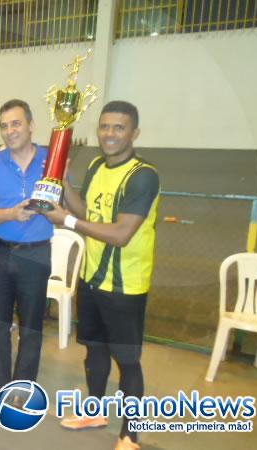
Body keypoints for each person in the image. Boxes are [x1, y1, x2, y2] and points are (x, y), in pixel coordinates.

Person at [44, 101, 159, 450]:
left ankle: (130, 435)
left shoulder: (143, 175)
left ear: (134, 133)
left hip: (126, 285)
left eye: (119, 128)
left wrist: (66, 221)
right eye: (105, 127)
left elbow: (121, 233)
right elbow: (85, 211)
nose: (110, 134)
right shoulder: (96, 166)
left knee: (127, 360)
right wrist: (61, 180)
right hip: (92, 277)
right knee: (93, 349)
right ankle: (95, 410)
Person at [0, 99, 53, 415]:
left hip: (36, 255)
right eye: (5, 125)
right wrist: (11, 214)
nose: (10, 131)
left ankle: (22, 392)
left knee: (31, 327)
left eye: (16, 123)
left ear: (31, 125)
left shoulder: (51, 161)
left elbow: (66, 202)